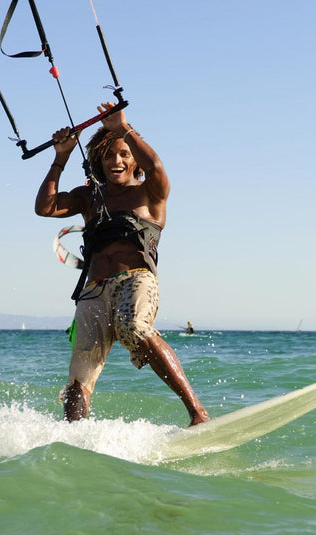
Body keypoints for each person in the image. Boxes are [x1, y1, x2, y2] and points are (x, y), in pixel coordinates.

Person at [35, 101, 209, 426]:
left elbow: (155, 166)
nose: (116, 160)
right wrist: (61, 157)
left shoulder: (150, 192)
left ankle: (197, 413)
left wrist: (122, 128)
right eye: (109, 155)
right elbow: (45, 208)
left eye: (124, 154)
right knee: (79, 374)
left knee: (134, 326)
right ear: (98, 161)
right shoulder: (89, 198)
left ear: (134, 161)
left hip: (136, 280)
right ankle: (73, 434)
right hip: (93, 292)